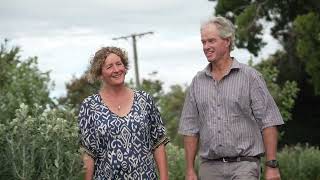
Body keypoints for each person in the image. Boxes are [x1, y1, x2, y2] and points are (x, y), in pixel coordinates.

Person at [178, 16, 284, 180]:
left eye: (211, 41)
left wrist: (272, 165)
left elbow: (269, 121)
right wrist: (190, 170)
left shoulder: (250, 77)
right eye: (203, 42)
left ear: (227, 41)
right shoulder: (197, 83)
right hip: (209, 168)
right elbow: (190, 129)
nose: (206, 47)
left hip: (244, 165)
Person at [78, 47, 169, 180]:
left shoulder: (144, 100)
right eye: (109, 66)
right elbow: (88, 154)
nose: (116, 70)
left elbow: (158, 143)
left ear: (125, 67)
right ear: (100, 73)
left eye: (119, 64)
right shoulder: (90, 106)